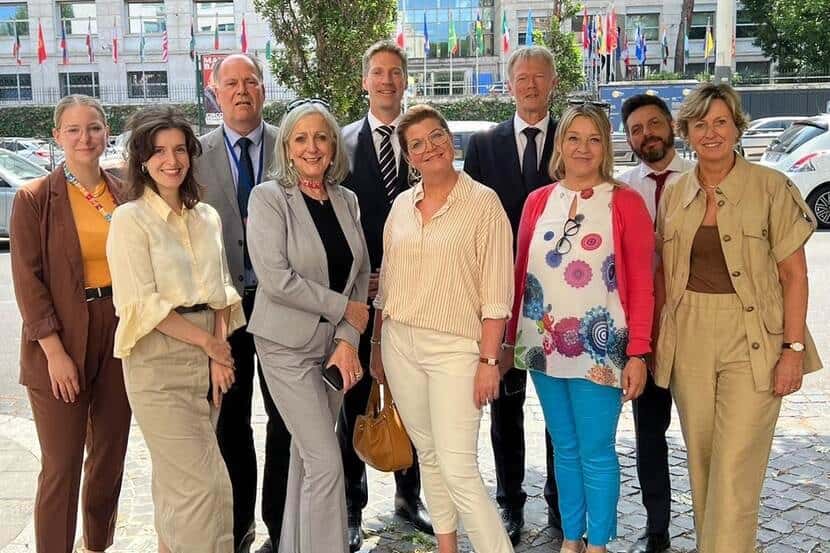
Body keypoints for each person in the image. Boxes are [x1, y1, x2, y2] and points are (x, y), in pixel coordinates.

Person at [654, 83, 823, 553]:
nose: (711, 133)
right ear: (686, 132)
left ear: (737, 127)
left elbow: (794, 275)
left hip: (753, 338)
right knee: (703, 464)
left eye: (720, 122)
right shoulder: (675, 192)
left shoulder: (770, 187)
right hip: (689, 337)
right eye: (700, 124)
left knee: (735, 470)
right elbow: (664, 275)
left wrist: (792, 350)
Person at [504, 104, 653, 553]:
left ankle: (599, 543)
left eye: (593, 139)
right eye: (574, 138)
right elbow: (520, 272)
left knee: (596, 449)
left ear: (605, 147)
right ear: (560, 144)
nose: (583, 148)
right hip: (543, 345)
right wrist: (509, 338)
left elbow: (643, 283)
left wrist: (639, 352)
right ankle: (572, 539)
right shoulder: (537, 201)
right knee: (564, 448)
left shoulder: (624, 201)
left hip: (601, 348)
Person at [371, 104, 515, 553]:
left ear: (450, 140)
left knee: (459, 469)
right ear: (408, 157)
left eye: (436, 136)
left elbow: (497, 294)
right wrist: (376, 346)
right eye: (416, 144)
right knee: (429, 456)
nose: (429, 147)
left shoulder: (483, 203)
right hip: (399, 344)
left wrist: (489, 361)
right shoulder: (401, 205)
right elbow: (386, 284)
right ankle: (446, 548)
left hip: (456, 349)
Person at [106, 105, 244, 552]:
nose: (172, 160)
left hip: (208, 356)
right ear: (142, 160)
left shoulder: (207, 217)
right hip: (157, 361)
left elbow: (221, 291)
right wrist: (210, 345)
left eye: (180, 149)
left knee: (176, 487)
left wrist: (218, 354)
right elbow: (140, 303)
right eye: (160, 151)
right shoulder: (129, 220)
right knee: (204, 488)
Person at [246, 100, 370, 553]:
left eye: (321, 137)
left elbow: (360, 274)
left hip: (333, 347)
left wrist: (347, 339)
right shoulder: (268, 198)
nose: (311, 147)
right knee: (326, 462)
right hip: (286, 346)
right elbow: (276, 279)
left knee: (306, 459)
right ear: (286, 147)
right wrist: (344, 309)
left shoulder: (346, 199)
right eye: (300, 138)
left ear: (334, 146)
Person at [9, 94, 132, 553]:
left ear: (106, 133)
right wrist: (54, 352)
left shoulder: (125, 191)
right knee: (61, 465)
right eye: (74, 130)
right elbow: (28, 281)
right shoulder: (34, 198)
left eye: (94, 128)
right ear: (57, 136)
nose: (85, 138)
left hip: (118, 331)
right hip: (59, 337)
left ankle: (97, 544)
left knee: (109, 457)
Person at [192, 53, 291, 553]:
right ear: (215, 92)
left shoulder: (289, 145)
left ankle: (280, 525)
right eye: (230, 83)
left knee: (285, 419)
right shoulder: (194, 154)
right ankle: (239, 527)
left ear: (263, 90)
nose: (241, 91)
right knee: (230, 422)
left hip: (282, 308)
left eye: (250, 81)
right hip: (224, 311)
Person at [464, 45, 560, 544]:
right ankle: (510, 502)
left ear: (553, 83)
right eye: (522, 77)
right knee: (506, 408)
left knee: (560, 408)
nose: (530, 85)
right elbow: (471, 223)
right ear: (509, 85)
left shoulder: (573, 138)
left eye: (539, 77)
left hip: (563, 301)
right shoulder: (484, 145)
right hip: (503, 296)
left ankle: (561, 502)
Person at [340, 40, 432, 551]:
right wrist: (360, 276)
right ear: (365, 81)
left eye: (396, 72)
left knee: (411, 398)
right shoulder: (342, 143)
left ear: (405, 80)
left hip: (416, 297)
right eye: (378, 72)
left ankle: (408, 497)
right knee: (355, 399)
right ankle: (351, 506)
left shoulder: (424, 139)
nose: (387, 81)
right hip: (361, 295)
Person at [617, 94, 695, 553]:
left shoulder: (700, 178)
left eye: (653, 124)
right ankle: (657, 526)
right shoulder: (621, 190)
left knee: (705, 433)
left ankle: (716, 521)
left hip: (698, 328)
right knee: (649, 434)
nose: (646, 134)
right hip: (645, 334)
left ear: (671, 125)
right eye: (635, 130)